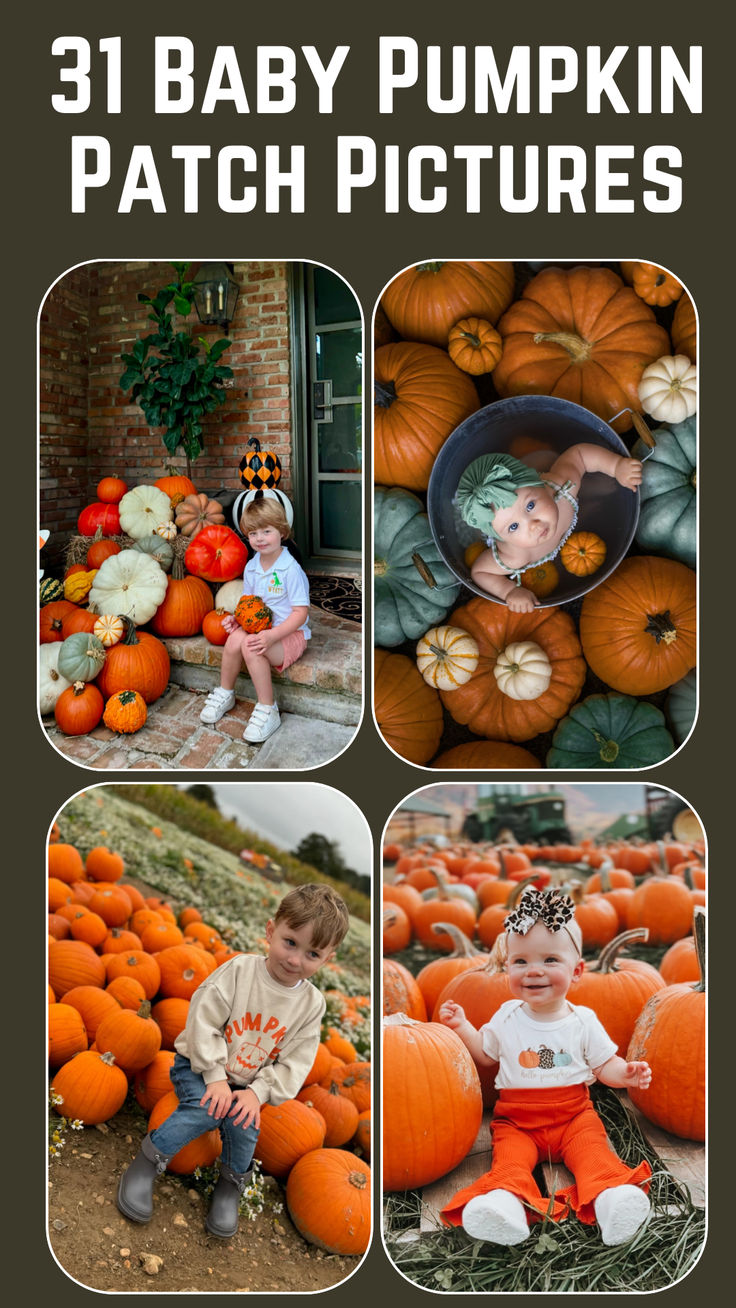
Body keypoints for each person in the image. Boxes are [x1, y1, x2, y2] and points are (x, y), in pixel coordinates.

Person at [117, 883, 350, 1238]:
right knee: (205, 1108)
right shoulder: (241, 972)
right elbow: (203, 1020)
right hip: (200, 1064)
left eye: (312, 954)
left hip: (248, 1083)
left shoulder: (311, 1005)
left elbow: (296, 1061)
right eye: (290, 942)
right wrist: (214, 1077)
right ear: (271, 931)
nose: (295, 959)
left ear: (327, 959)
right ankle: (147, 1163)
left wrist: (257, 1093)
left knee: (246, 1127)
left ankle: (228, 1190)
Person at [438, 886, 652, 1248]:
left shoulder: (583, 1020)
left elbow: (604, 1066)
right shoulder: (506, 1016)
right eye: (521, 962)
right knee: (509, 1160)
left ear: (578, 970)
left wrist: (626, 1074)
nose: (534, 971)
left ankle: (612, 1200)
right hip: (518, 1121)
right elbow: (486, 1055)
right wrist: (463, 1028)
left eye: (550, 960)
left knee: (593, 1153)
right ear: (508, 968)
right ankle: (505, 1205)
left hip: (573, 1116)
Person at [457, 447, 642, 611]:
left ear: (538, 484)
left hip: (540, 465)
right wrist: (510, 591)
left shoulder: (561, 488)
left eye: (530, 506)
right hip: (550, 517)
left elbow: (580, 456)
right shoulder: (514, 556)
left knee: (548, 456)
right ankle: (587, 498)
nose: (533, 525)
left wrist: (616, 466)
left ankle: (589, 489)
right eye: (513, 527)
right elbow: (481, 572)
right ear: (500, 536)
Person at [199, 499, 311, 743]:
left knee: (251, 648)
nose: (260, 538)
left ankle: (268, 708)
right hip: (261, 630)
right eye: (253, 533)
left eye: (266, 531)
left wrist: (272, 635)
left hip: (289, 635)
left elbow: (300, 613)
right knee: (234, 640)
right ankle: (226, 692)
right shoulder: (251, 568)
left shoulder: (290, 569)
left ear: (282, 531)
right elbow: (249, 605)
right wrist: (237, 622)